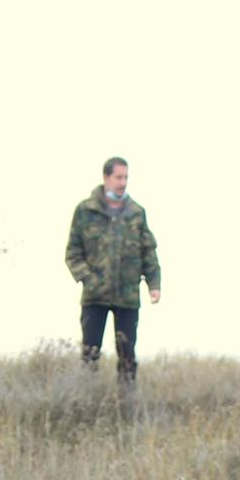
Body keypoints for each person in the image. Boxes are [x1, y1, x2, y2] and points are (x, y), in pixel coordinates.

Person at [64, 156, 161, 384]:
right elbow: (72, 253)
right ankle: (86, 402)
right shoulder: (86, 211)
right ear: (106, 177)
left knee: (127, 355)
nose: (123, 182)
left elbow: (148, 251)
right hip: (94, 297)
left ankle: (126, 403)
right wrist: (88, 279)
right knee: (90, 353)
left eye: (126, 177)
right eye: (118, 177)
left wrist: (154, 285)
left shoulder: (136, 213)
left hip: (127, 297)